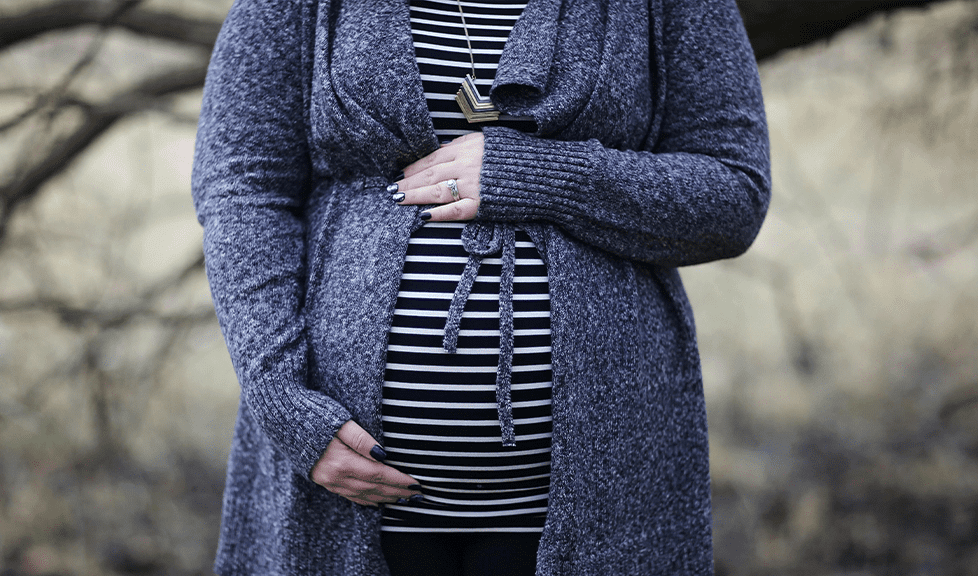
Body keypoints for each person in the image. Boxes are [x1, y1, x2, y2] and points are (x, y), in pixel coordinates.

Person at [190, 0, 770, 574]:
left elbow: (733, 192)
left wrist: (540, 175)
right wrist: (279, 397)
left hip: (599, 496)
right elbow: (241, 181)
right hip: (340, 492)